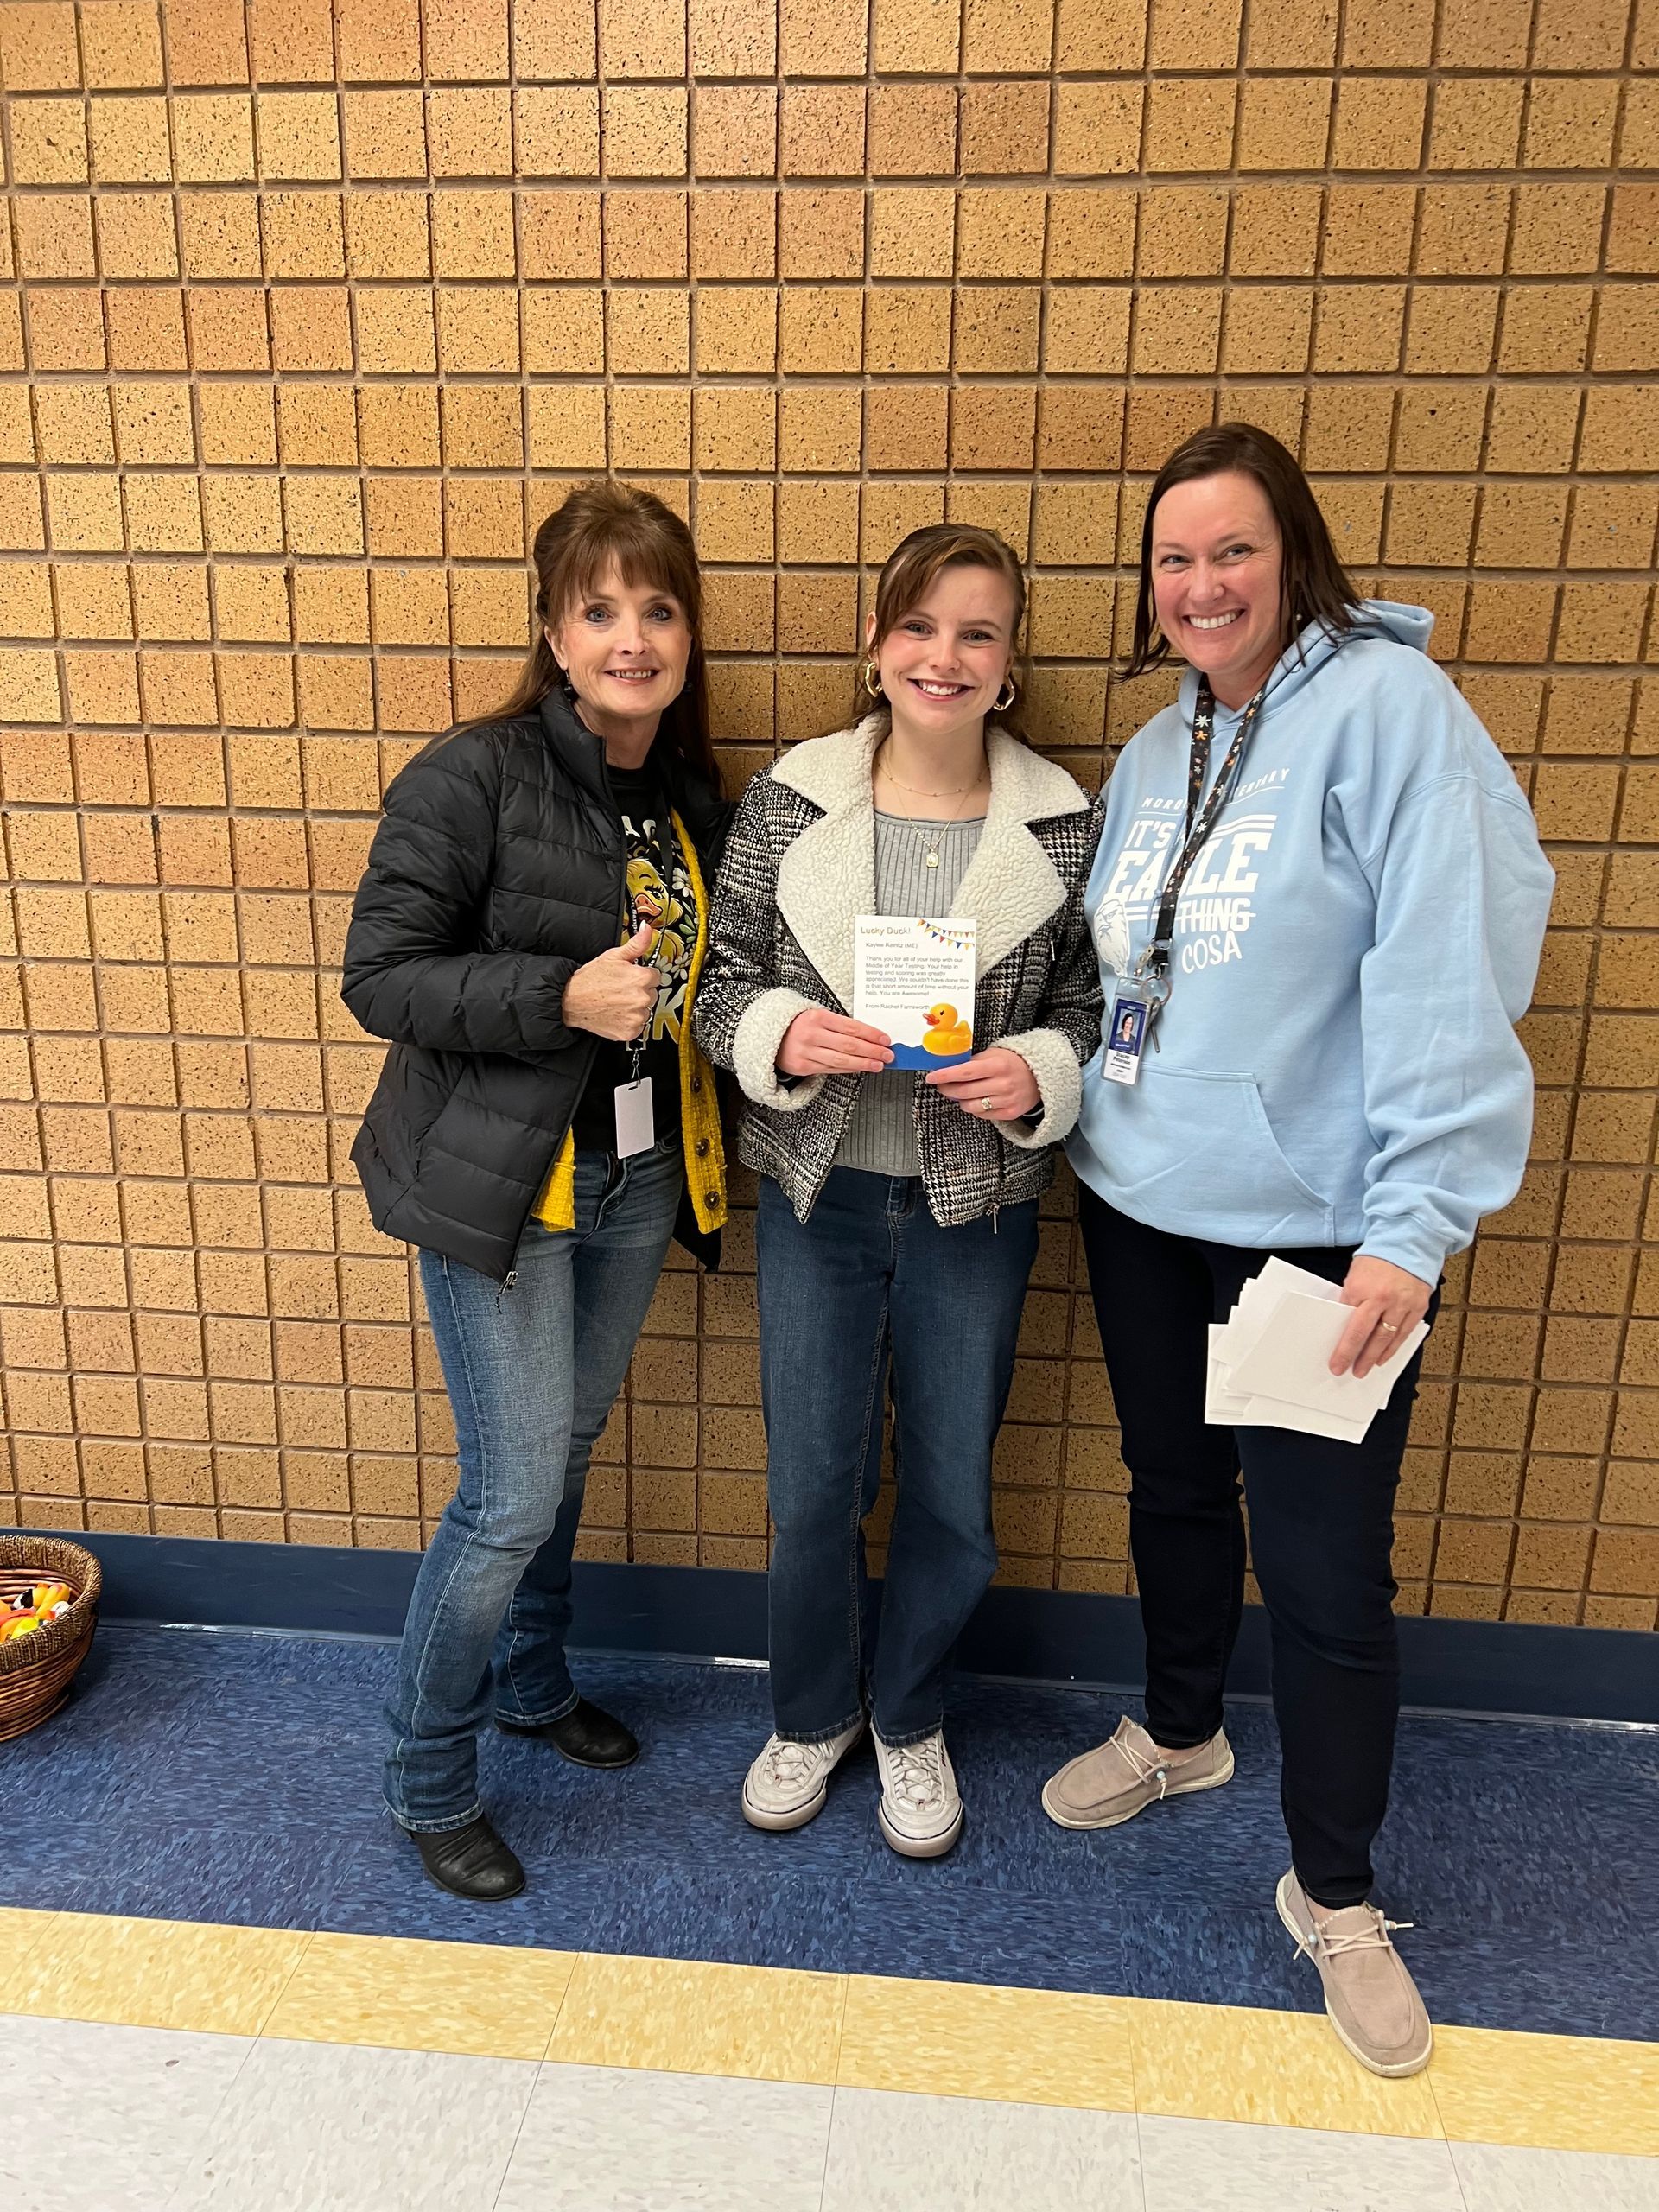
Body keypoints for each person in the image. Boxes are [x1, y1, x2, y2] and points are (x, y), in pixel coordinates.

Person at [1048, 423, 1553, 2075]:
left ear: (1296, 556)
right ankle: (1183, 1733)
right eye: (1174, 559)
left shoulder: (1393, 715)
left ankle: (1334, 1892)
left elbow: (1448, 961)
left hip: (1322, 1244)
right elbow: (1135, 966)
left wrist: (1417, 1223)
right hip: (1140, 1205)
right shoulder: (1156, 743)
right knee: (1174, 1488)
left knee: (1328, 1575)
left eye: (1234, 552)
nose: (1202, 585)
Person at [343, 482, 731, 1902]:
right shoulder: (475, 774)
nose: (633, 636)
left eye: (659, 607)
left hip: (632, 1173)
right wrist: (557, 994)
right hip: (504, 1187)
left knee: (564, 1453)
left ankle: (532, 1682)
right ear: (554, 634)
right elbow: (379, 977)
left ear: (688, 632)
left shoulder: (687, 792)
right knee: (507, 1493)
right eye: (601, 610)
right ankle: (428, 1778)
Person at [696, 525, 1103, 1859]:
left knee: (949, 1489)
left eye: (977, 634)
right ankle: (812, 1712)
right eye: (920, 628)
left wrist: (1038, 1070)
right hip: (820, 1200)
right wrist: (778, 1038)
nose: (945, 656)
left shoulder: (1062, 820)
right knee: (812, 1484)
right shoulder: (789, 803)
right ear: (876, 650)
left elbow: (1102, 1011)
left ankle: (911, 1718)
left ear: (1010, 668)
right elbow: (716, 985)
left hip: (973, 1205)